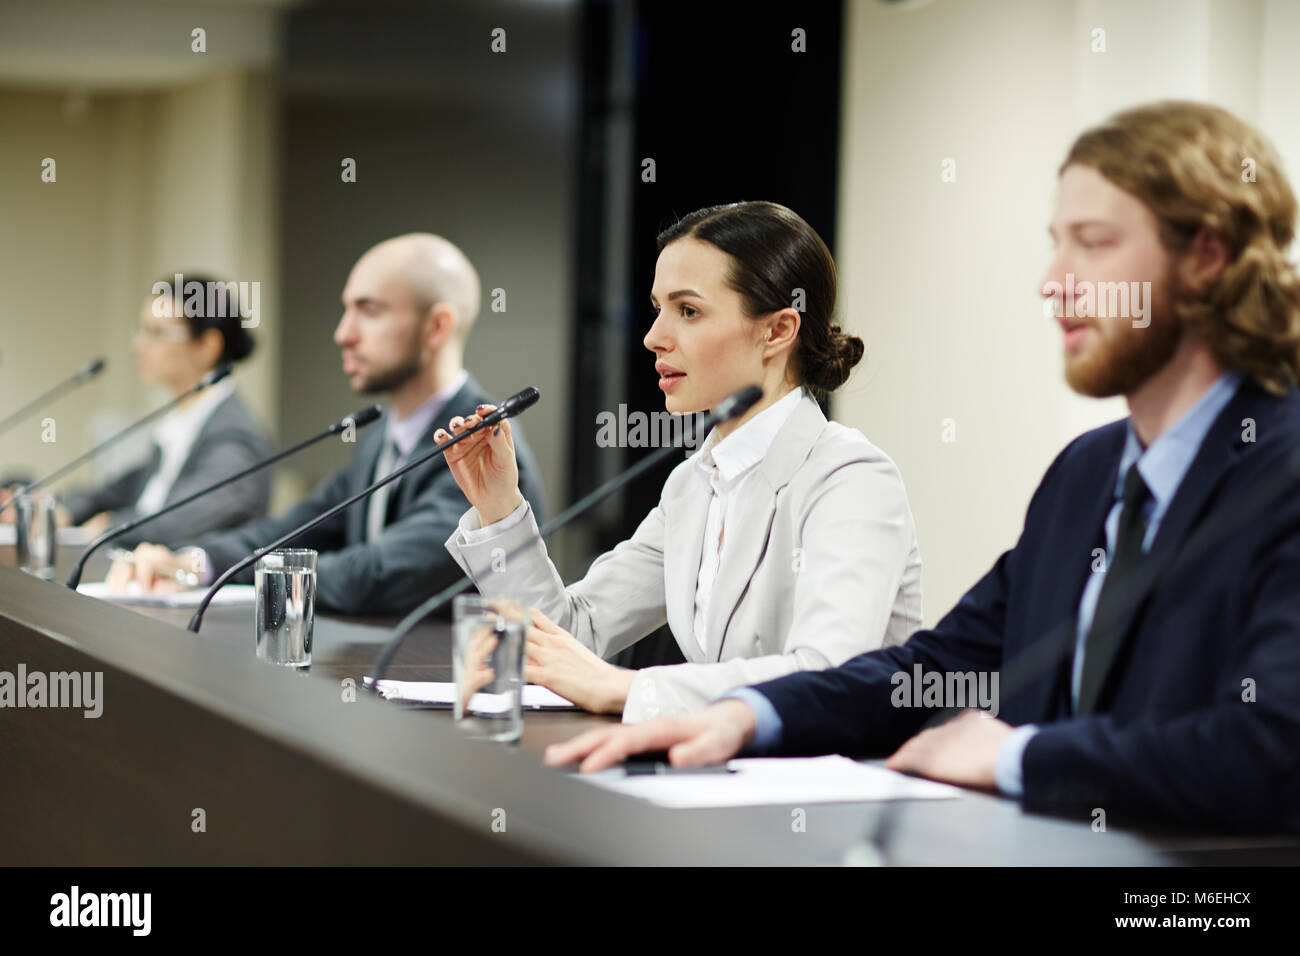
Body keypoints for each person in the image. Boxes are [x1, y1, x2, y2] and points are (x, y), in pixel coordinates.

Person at [545, 103, 1300, 834]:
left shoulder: (1282, 470)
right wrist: (746, 714)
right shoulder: (1087, 472)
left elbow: (1274, 749)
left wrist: (1020, 756)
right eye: (1055, 243)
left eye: (1094, 243)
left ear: (1205, 257)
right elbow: (932, 665)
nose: (1053, 281)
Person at [436, 201, 922, 720]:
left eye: (687, 311)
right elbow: (577, 636)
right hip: (724, 775)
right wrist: (499, 507)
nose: (653, 337)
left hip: (834, 788)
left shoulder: (850, 479)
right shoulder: (693, 483)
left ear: (778, 331)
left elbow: (827, 674)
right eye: (658, 308)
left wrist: (630, 691)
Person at [105, 234, 547, 616]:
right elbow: (293, 528)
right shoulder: (379, 439)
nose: (343, 333)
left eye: (368, 311)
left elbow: (379, 575)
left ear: (436, 327)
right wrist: (197, 562)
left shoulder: (484, 449)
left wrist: (250, 574)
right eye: (346, 310)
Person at [50, 276, 271, 545]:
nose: (138, 345)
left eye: (156, 333)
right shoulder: (182, 419)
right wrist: (63, 511)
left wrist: (112, 527)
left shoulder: (235, 433)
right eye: (141, 331)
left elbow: (186, 518)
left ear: (208, 347)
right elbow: (121, 490)